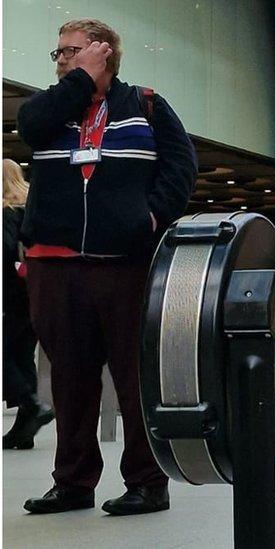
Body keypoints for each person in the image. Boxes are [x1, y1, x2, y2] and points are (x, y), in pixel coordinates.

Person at [17, 19, 196, 515]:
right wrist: (77, 80)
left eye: (70, 52)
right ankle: (73, 483)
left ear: (103, 53)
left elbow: (182, 167)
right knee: (70, 379)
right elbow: (28, 127)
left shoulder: (146, 105)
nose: (60, 60)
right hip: (55, 266)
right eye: (57, 54)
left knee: (133, 376)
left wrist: (151, 217)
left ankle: (146, 482)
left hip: (125, 264)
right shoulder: (50, 106)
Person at [2, 159, 54, 450]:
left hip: (13, 292)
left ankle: (32, 404)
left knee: (6, 355)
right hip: (37, 288)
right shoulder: (32, 208)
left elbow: (6, 250)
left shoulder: (6, 212)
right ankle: (24, 428)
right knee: (22, 354)